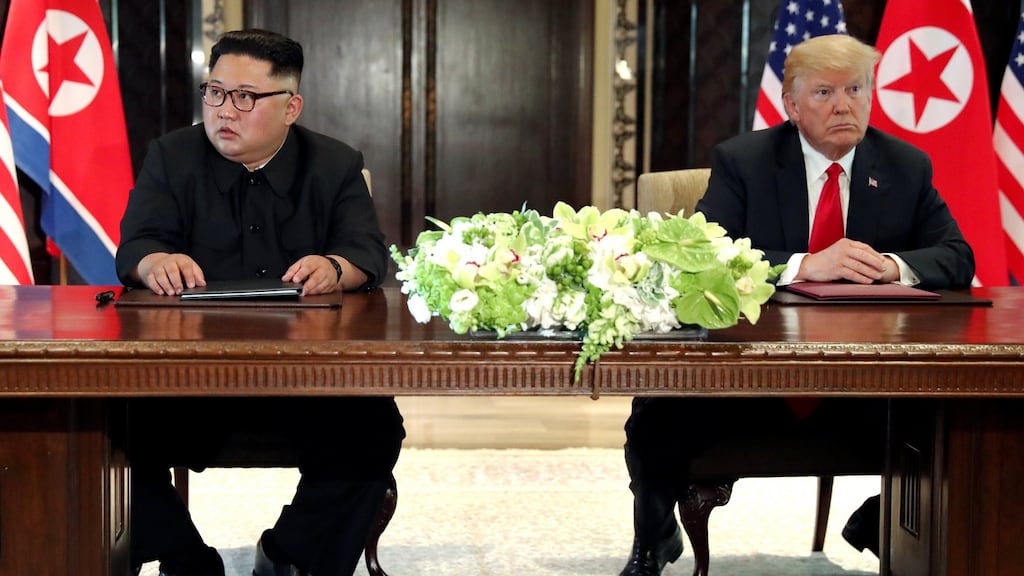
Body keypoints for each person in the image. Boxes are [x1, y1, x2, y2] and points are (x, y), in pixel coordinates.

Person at [618, 34, 975, 576]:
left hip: (866, 385)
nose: (843, 105)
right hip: (751, 379)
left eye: (856, 89)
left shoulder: (905, 166)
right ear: (791, 105)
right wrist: (804, 264)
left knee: (969, 417)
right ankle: (655, 540)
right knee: (657, 410)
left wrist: (889, 265)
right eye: (825, 92)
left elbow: (957, 256)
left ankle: (881, 521)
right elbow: (704, 254)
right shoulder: (744, 161)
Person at [116, 29, 405, 576]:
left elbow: (367, 252)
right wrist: (154, 263)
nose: (225, 110)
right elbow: (136, 244)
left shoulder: (335, 163)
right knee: (102, 424)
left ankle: (289, 556)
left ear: (290, 106)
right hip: (185, 375)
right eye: (215, 92)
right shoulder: (171, 156)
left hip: (305, 376)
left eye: (245, 97)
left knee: (373, 428)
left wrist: (336, 269)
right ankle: (185, 558)